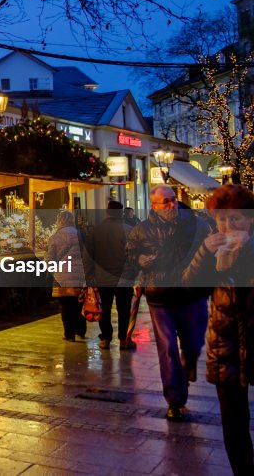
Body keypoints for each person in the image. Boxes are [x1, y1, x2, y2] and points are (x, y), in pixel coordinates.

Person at [183, 185, 254, 474]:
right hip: (225, 345)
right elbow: (189, 286)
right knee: (234, 424)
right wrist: (204, 253)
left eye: (236, 218)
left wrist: (246, 252)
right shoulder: (212, 248)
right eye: (222, 219)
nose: (228, 226)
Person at [126, 184, 211, 422]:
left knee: (194, 343)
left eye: (173, 199)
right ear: (154, 205)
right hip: (160, 294)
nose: (172, 204)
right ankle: (175, 400)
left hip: (192, 294)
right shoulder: (142, 230)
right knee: (167, 348)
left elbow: (210, 253)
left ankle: (187, 367)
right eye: (166, 201)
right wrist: (139, 260)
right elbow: (130, 254)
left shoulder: (196, 225)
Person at [84, 200, 137, 350]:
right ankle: (124, 339)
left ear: (107, 212)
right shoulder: (129, 230)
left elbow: (88, 255)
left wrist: (89, 275)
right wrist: (134, 273)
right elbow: (134, 255)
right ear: (121, 213)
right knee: (124, 310)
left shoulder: (95, 230)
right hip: (124, 278)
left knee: (104, 309)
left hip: (102, 277)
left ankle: (106, 338)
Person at [47, 210, 87, 341]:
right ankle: (80, 330)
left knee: (66, 306)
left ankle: (69, 334)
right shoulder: (81, 234)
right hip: (80, 275)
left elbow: (50, 259)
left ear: (59, 221)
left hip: (62, 276)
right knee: (79, 303)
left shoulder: (55, 237)